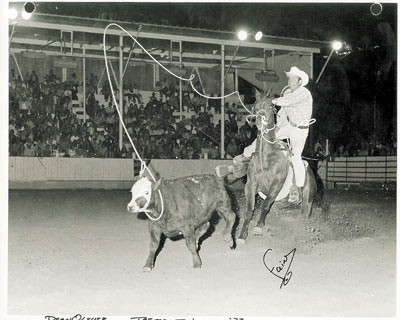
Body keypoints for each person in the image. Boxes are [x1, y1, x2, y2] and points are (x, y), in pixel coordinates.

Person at [215, 66, 313, 204]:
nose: (290, 80)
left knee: (296, 157)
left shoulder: (304, 93)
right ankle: (235, 166)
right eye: (289, 78)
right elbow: (283, 114)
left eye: (292, 78)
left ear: (299, 81)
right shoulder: (288, 94)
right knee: (261, 141)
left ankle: (296, 188)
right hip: (288, 126)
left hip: (300, 130)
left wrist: (271, 101)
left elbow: (289, 102)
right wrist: (274, 129)